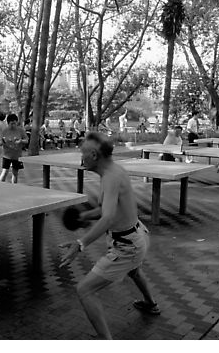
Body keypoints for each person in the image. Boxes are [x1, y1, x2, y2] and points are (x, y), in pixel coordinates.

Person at [59, 132, 160, 339]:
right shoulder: (114, 171)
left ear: (94, 155)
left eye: (83, 153)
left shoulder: (111, 178)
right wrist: (85, 215)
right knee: (134, 271)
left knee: (85, 290)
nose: (81, 157)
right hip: (138, 234)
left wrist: (80, 243)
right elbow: (107, 209)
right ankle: (150, 303)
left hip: (128, 245)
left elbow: (107, 219)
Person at [0, 113, 28, 184]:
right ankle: (0, 186)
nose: (13, 125)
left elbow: (26, 140)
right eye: (11, 124)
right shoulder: (4, 131)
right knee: (5, 172)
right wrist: (3, 142)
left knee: (15, 173)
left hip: (17, 155)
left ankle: (14, 187)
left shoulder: (20, 130)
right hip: (7, 155)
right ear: (8, 123)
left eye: (15, 123)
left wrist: (21, 141)